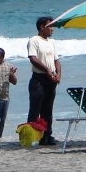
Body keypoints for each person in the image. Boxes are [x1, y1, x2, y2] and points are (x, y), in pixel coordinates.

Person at [27, 16, 62, 146]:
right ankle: (31, 136)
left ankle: (47, 135)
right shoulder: (34, 40)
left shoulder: (52, 42)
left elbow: (56, 60)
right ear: (42, 27)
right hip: (39, 79)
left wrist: (58, 74)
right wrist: (47, 70)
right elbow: (33, 58)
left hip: (50, 79)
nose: (52, 29)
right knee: (35, 109)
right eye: (50, 26)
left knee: (48, 110)